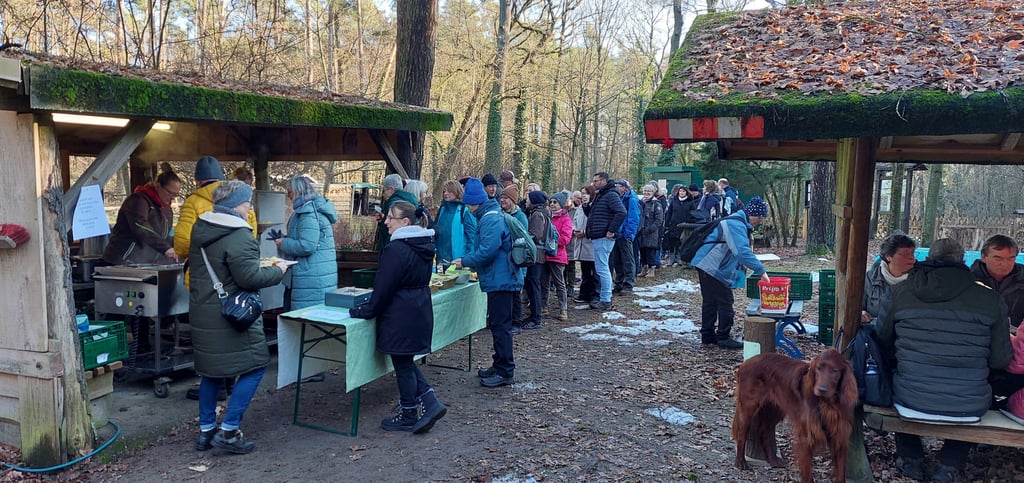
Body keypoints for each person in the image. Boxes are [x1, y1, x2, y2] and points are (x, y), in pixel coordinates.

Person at [876, 238, 1011, 483]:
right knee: (972, 392)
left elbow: (882, 341)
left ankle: (910, 458)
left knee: (897, 377)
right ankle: (949, 465)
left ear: (927, 259)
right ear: (963, 262)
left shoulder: (900, 292)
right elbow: (1001, 359)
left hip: (909, 399)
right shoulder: (990, 299)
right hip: (969, 406)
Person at [189, 180, 289, 455]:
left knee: (211, 371)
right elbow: (249, 277)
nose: (249, 209)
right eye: (246, 203)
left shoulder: (201, 227)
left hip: (203, 309)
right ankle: (229, 430)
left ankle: (206, 431)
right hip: (231, 314)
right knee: (256, 365)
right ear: (235, 205)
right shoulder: (238, 234)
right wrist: (278, 271)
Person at [349, 201, 446, 434]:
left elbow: (383, 288)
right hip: (418, 308)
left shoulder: (396, 249)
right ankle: (426, 403)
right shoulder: (423, 244)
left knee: (402, 362)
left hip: (400, 312)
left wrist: (365, 310)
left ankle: (410, 413)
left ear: (405, 222)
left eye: (391, 217)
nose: (386, 221)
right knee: (404, 361)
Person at [454, 178, 524, 388]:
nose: (467, 208)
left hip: (501, 280)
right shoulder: (489, 215)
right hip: (500, 277)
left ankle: (505, 370)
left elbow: (488, 250)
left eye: (468, 204)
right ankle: (499, 364)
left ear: (475, 202)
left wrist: (465, 261)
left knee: (501, 326)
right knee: (498, 324)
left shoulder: (490, 219)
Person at [691, 196, 769, 349]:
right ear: (751, 214)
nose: (760, 221)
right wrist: (761, 270)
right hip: (711, 266)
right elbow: (742, 252)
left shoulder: (739, 222)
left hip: (707, 264)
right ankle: (723, 337)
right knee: (725, 302)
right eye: (759, 217)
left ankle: (708, 336)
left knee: (711, 302)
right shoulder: (735, 224)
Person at [175, 156, 259, 264]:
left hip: (202, 271)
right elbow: (251, 237)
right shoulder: (240, 197)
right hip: (234, 270)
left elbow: (181, 245)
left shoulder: (192, 202)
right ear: (220, 178)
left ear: (198, 181)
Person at [275, 176, 338, 311]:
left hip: (310, 278)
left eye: (290, 191)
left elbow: (307, 246)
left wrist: (283, 243)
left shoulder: (308, 213)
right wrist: (286, 238)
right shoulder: (310, 210)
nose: (288, 195)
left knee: (302, 322)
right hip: (315, 275)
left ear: (298, 191)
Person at [103, 169, 181, 265]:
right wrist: (166, 248)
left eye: (176, 194)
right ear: (158, 186)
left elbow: (166, 235)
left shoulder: (166, 209)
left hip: (144, 263)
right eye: (170, 193)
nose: (173, 197)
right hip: (122, 260)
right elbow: (141, 226)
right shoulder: (138, 200)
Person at [585, 172, 626, 310]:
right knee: (602, 268)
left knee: (602, 269)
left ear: (603, 181)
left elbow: (621, 212)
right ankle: (605, 298)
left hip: (603, 237)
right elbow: (594, 214)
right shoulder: (601, 195)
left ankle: (606, 299)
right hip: (599, 236)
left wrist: (611, 230)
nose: (593, 183)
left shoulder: (610, 195)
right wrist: (586, 207)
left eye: (595, 181)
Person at [861, 233, 917, 325]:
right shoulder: (870, 278)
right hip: (875, 334)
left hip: (908, 334)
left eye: (912, 253)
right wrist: (861, 314)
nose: (912, 258)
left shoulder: (921, 279)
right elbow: (856, 307)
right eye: (906, 254)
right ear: (888, 256)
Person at [971, 235, 1024, 327]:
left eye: (1010, 258)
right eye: (998, 258)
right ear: (984, 257)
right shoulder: (969, 280)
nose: (1004, 264)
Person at [522, 190, 551, 330]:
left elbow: (537, 235)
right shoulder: (541, 212)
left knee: (534, 286)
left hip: (536, 255)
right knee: (533, 285)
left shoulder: (537, 215)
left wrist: (524, 237)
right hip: (538, 254)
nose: (526, 201)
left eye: (528, 198)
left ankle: (536, 318)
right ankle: (534, 315)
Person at [541, 192, 573, 321]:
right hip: (545, 255)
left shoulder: (566, 219)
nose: (552, 204)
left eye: (555, 202)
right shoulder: (547, 216)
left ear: (561, 204)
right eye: (551, 202)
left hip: (557, 256)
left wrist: (551, 241)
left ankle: (563, 309)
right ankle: (544, 307)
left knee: (560, 283)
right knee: (543, 283)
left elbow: (565, 239)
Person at [435, 180, 478, 268]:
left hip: (458, 261)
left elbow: (472, 237)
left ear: (457, 192)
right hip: (440, 260)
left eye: (449, 191)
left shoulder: (464, 211)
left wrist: (467, 259)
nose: (446, 193)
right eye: (444, 191)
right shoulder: (442, 210)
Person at [611, 179, 640, 295]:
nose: (617, 188)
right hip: (617, 233)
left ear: (625, 188)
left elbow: (634, 217)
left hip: (625, 233)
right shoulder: (619, 198)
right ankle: (618, 283)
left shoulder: (631, 199)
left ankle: (628, 284)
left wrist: (628, 233)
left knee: (628, 259)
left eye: (619, 186)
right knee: (617, 260)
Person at [375, 174, 417, 251]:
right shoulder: (411, 200)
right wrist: (383, 218)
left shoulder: (394, 204)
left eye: (384, 190)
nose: (383, 194)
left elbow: (393, 228)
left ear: (391, 189)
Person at [572, 187, 597, 304]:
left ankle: (594, 294)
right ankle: (584, 294)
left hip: (591, 244)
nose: (584, 196)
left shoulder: (594, 208)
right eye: (582, 193)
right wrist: (575, 231)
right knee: (585, 271)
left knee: (594, 272)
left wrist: (585, 233)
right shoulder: (580, 208)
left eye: (586, 193)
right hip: (580, 243)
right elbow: (574, 222)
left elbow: (595, 224)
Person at [664, 183, 697, 267]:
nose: (681, 193)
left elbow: (693, 213)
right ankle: (671, 258)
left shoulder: (690, 202)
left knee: (680, 241)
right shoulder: (674, 201)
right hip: (673, 224)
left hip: (684, 224)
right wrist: (667, 223)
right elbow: (669, 213)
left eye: (683, 191)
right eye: (680, 191)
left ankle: (679, 257)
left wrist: (690, 222)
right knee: (672, 240)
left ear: (686, 192)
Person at [637, 184, 665, 278]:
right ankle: (644, 268)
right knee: (642, 251)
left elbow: (659, 220)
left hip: (651, 233)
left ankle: (651, 269)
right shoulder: (641, 202)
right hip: (641, 231)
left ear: (653, 193)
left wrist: (650, 229)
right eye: (645, 191)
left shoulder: (656, 204)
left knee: (650, 252)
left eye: (648, 191)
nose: (646, 193)